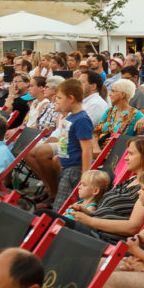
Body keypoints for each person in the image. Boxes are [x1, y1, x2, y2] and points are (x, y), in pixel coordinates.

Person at [52, 78, 95, 206]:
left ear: (71, 98)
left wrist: (85, 176)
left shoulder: (81, 119)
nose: (57, 101)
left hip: (75, 169)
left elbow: (87, 149)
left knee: (62, 204)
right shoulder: (70, 117)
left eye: (59, 98)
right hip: (66, 167)